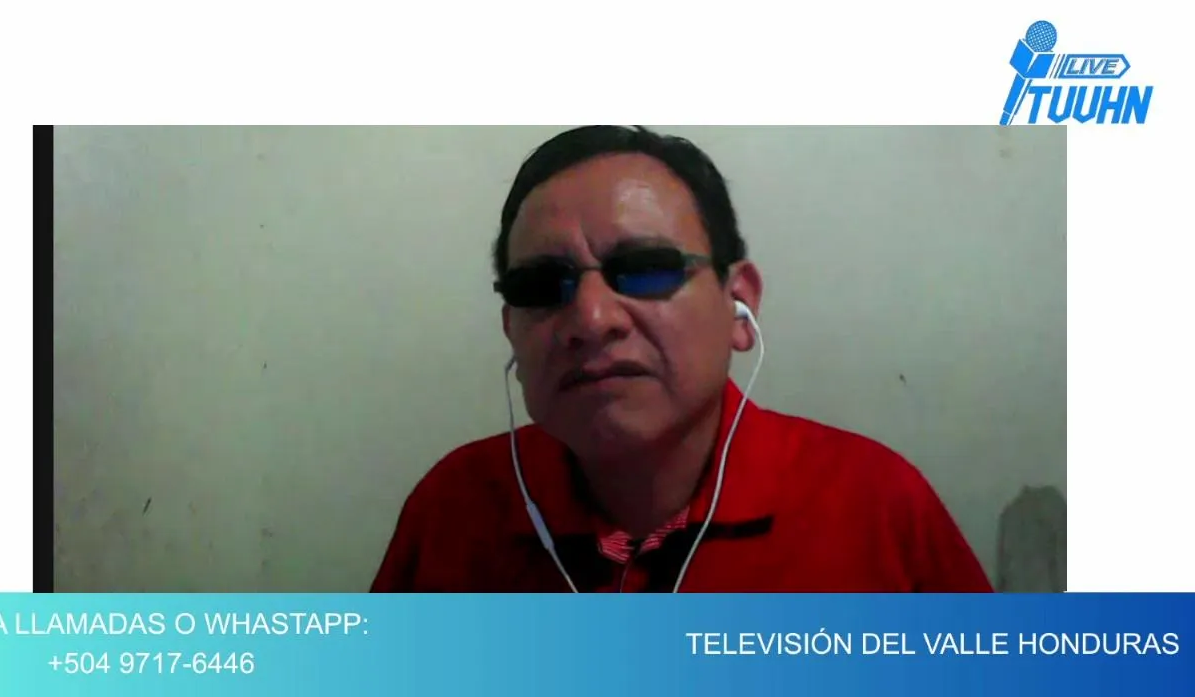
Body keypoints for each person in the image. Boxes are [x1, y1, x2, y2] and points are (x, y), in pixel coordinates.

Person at [370, 126, 993, 593]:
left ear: (739, 305)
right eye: (541, 286)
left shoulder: (875, 507)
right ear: (511, 328)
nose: (592, 319)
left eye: (645, 269)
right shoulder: (453, 509)